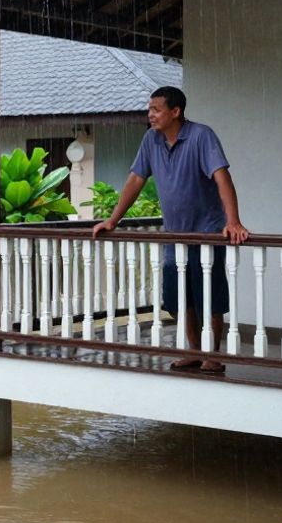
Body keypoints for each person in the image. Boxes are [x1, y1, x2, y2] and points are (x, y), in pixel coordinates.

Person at [91, 86, 249, 372]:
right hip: (173, 237)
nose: (150, 115)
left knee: (209, 300)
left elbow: (222, 178)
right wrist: (113, 220)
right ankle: (194, 350)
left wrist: (233, 221)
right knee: (177, 300)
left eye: (156, 110)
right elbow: (135, 181)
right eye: (149, 109)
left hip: (207, 234)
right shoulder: (150, 140)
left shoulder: (202, 136)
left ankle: (212, 355)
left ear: (175, 112)